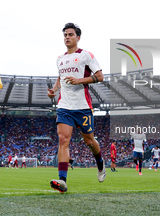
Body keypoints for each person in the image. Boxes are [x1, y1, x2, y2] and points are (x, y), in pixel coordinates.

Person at [47, 23, 106, 193]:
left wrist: (79, 80)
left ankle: (100, 163)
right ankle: (62, 181)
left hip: (83, 107)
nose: (67, 37)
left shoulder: (85, 56)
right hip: (64, 106)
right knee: (63, 140)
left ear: (78, 38)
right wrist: (54, 90)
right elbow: (61, 77)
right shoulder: (60, 59)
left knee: (89, 141)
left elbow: (100, 76)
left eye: (70, 34)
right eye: (65, 34)